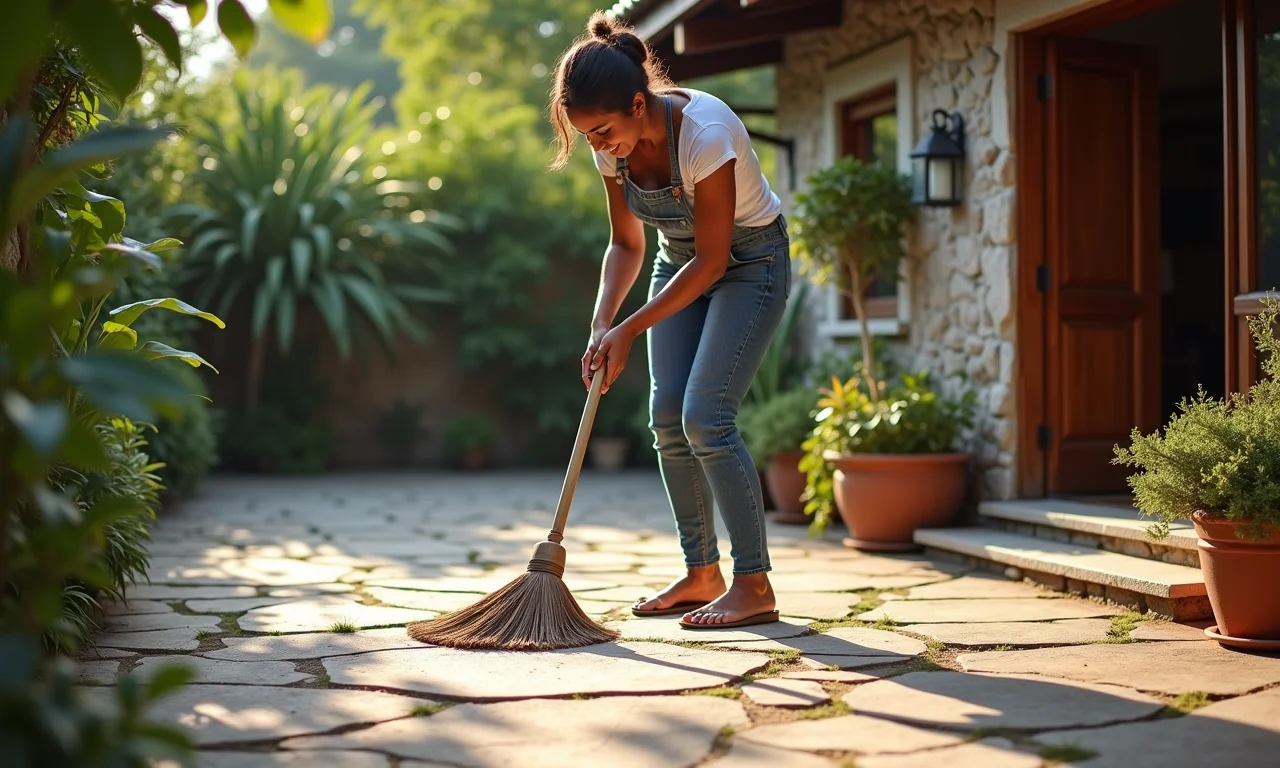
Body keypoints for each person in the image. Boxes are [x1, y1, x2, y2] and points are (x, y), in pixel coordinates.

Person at [548, 12, 790, 629]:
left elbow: (714, 261)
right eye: (587, 136)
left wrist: (630, 328)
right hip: (676, 261)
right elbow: (626, 243)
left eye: (603, 131)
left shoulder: (705, 133)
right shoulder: (614, 150)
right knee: (666, 420)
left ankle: (754, 583)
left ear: (638, 103)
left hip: (749, 264)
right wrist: (602, 324)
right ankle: (701, 572)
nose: (597, 146)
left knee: (706, 416)